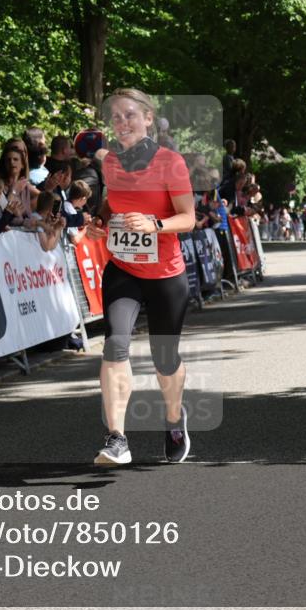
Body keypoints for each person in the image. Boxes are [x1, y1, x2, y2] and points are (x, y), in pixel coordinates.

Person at [85, 88, 195, 465]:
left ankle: (174, 417)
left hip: (165, 273)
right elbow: (112, 202)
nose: (122, 123)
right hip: (124, 269)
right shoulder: (112, 163)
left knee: (165, 358)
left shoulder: (170, 163)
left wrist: (155, 223)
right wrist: (100, 222)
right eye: (115, 117)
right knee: (115, 343)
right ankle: (116, 437)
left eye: (129, 115)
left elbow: (188, 218)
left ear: (148, 119)